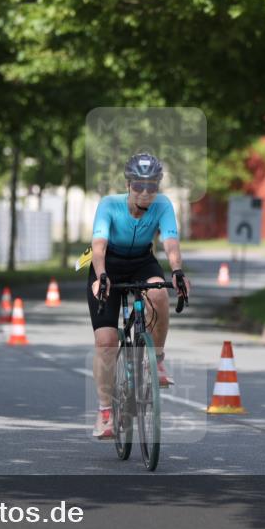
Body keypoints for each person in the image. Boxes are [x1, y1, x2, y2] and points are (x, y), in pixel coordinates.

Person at [87, 153, 192, 439]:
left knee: (158, 295)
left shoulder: (163, 205)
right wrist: (101, 275)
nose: (146, 193)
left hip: (142, 263)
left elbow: (170, 240)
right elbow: (98, 245)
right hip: (109, 264)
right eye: (139, 186)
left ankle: (156, 359)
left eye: (152, 186)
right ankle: (105, 412)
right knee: (106, 341)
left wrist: (177, 270)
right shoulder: (109, 205)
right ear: (128, 184)